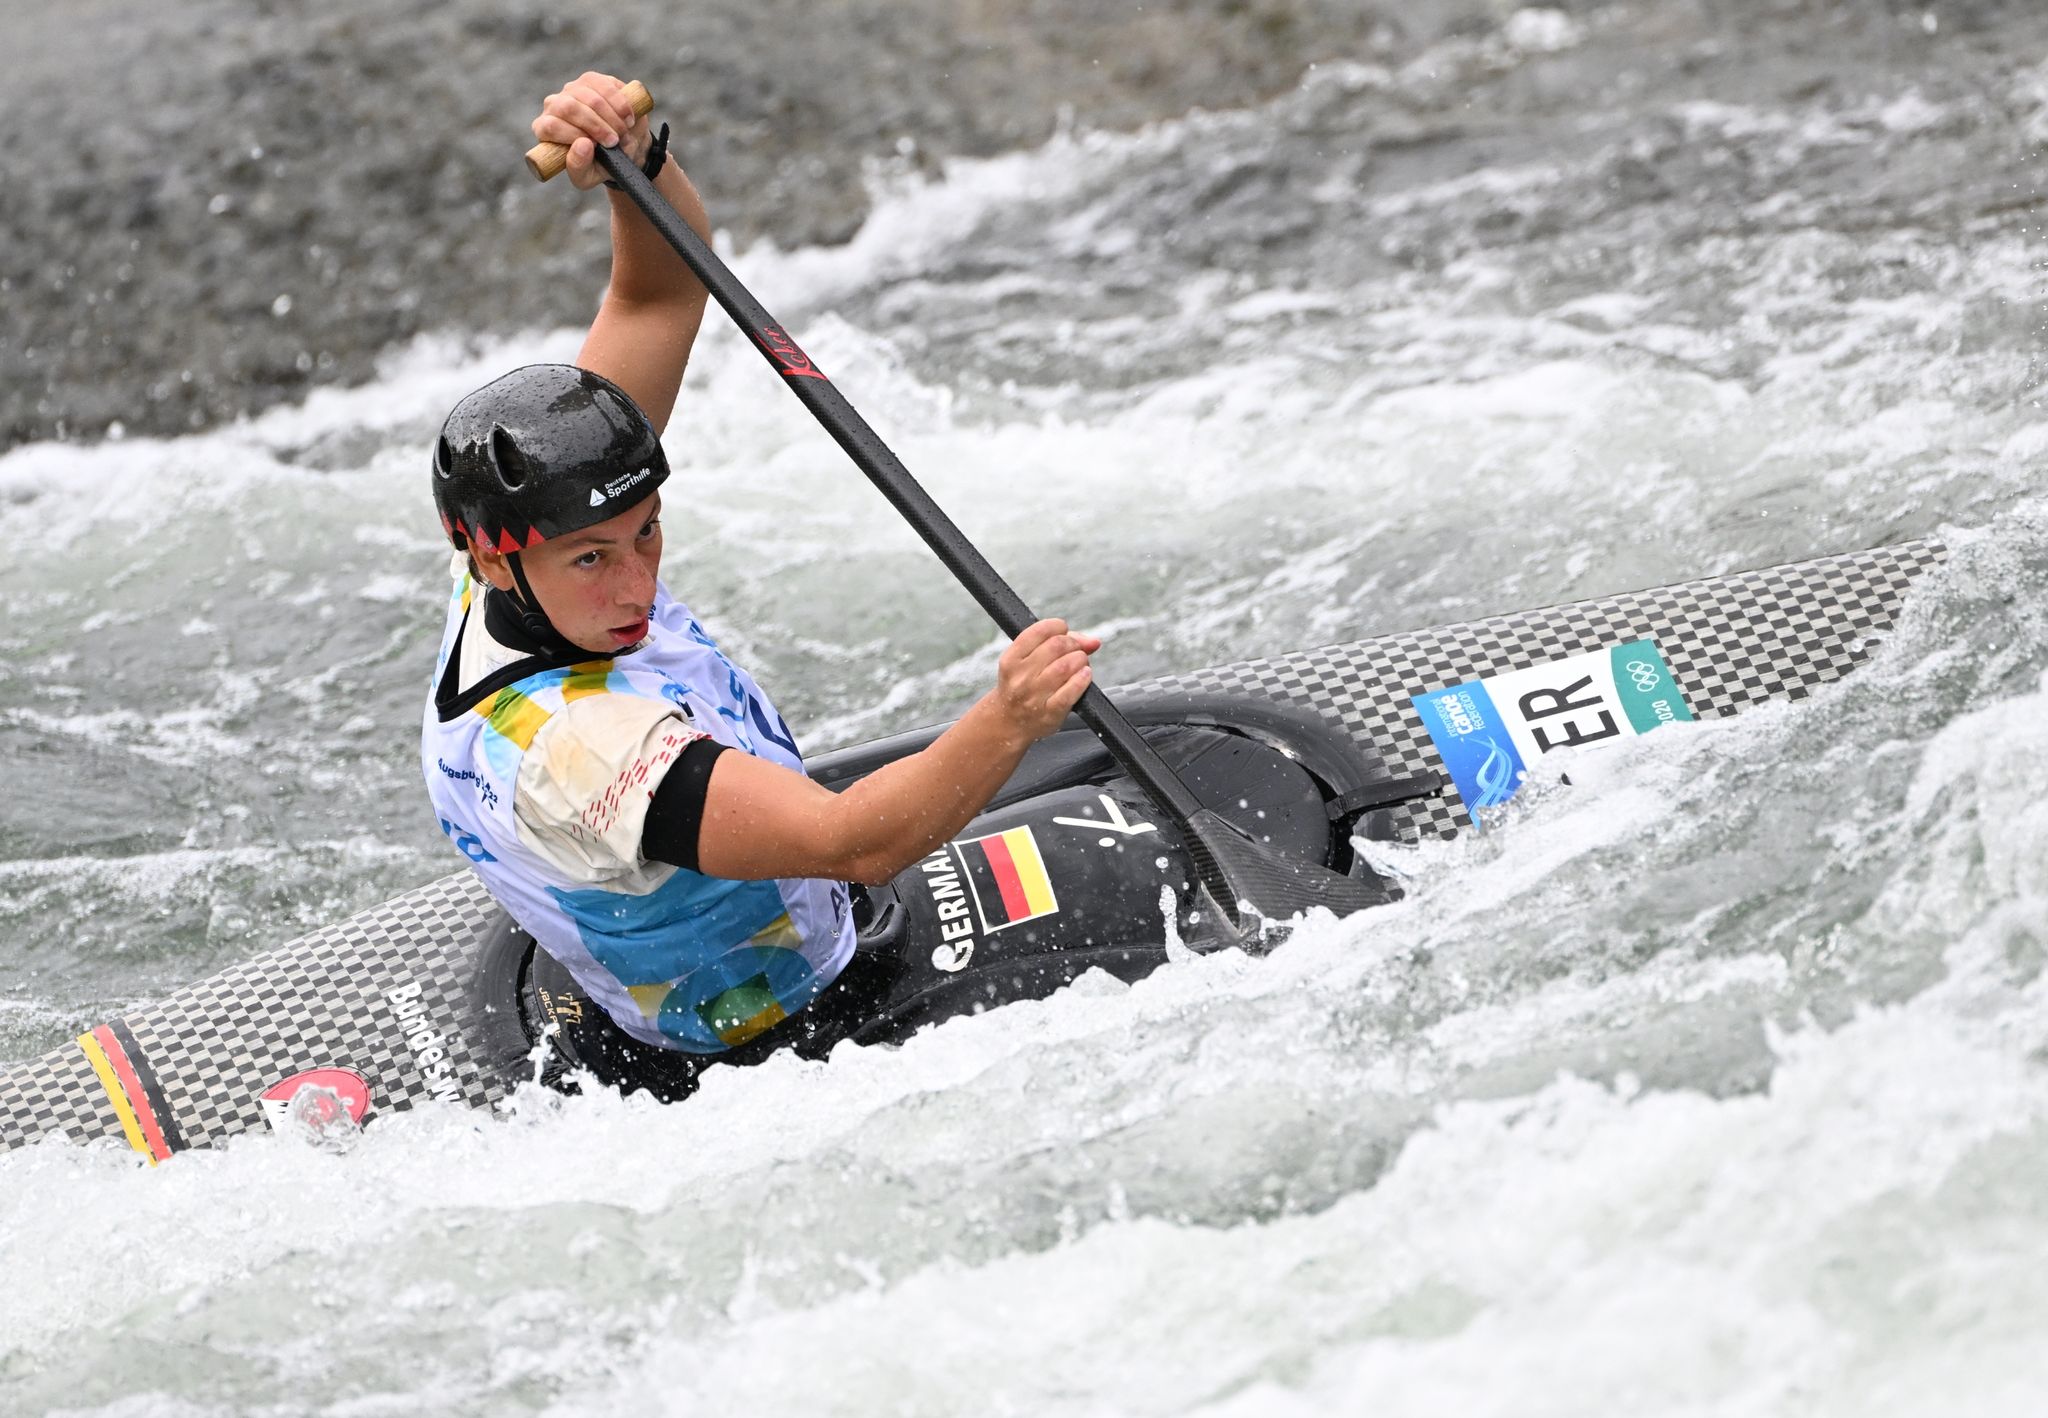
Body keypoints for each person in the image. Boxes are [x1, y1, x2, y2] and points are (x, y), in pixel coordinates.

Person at [421, 72, 1099, 1084]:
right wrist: (1008, 716)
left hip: (736, 905)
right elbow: (847, 842)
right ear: (485, 548)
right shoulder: (585, 756)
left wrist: (634, 164)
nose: (635, 582)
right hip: (782, 1031)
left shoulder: (517, 564)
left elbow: (656, 291)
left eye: (647, 534)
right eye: (594, 560)